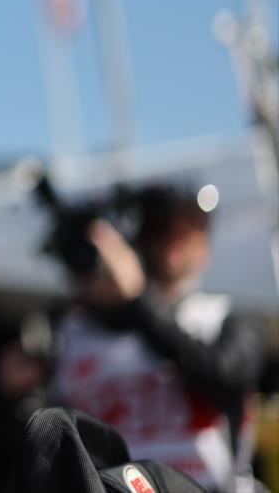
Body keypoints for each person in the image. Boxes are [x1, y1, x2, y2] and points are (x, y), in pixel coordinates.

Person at [51, 184, 265, 492]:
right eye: (160, 229)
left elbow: (227, 376)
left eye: (190, 228)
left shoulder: (224, 317)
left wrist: (138, 300)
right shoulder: (73, 335)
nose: (175, 238)